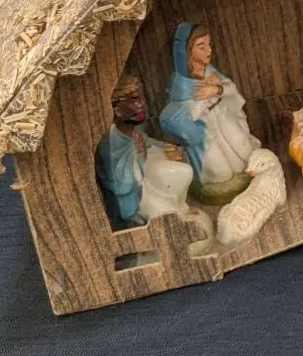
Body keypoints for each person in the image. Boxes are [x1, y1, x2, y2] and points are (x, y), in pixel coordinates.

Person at [159, 22, 262, 204]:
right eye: (202, 46)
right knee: (222, 175)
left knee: (245, 156)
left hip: (223, 117)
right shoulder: (180, 84)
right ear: (187, 51)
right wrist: (203, 98)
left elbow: (231, 89)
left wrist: (217, 89)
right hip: (205, 132)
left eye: (209, 44)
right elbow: (187, 117)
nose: (209, 50)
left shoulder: (210, 71)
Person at [96, 74, 192, 225]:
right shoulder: (112, 144)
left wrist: (165, 148)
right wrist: (145, 157)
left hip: (144, 179)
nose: (141, 104)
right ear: (116, 109)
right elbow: (123, 185)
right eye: (134, 100)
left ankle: (184, 209)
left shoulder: (132, 129)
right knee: (167, 215)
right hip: (133, 198)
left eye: (141, 98)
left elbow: (145, 141)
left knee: (184, 172)